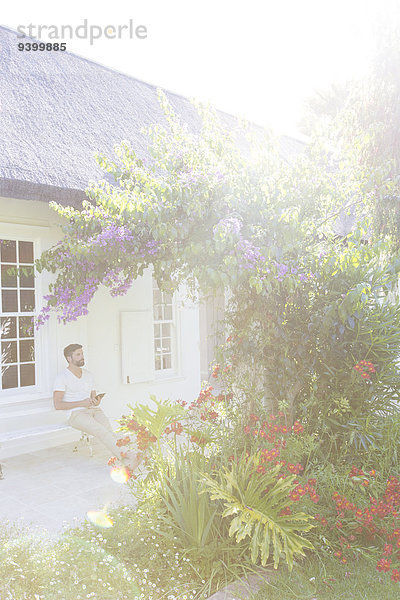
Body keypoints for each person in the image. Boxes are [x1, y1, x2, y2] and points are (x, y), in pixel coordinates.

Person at [53, 343, 140, 471]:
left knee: (109, 431)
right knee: (101, 431)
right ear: (69, 358)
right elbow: (57, 405)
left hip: (93, 410)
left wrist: (96, 401)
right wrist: (81, 403)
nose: (82, 356)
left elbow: (93, 397)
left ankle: (127, 462)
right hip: (75, 414)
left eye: (82, 353)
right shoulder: (62, 377)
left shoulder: (88, 375)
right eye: (78, 354)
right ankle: (130, 456)